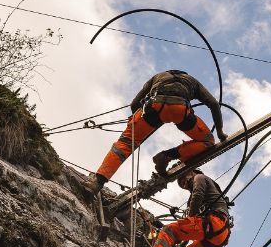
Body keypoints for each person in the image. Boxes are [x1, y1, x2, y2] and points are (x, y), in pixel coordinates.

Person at [84, 70, 227, 197]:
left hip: (153, 107)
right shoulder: (193, 82)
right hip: (180, 110)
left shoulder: (158, 77)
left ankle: (97, 183)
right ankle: (167, 156)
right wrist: (220, 132)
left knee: (124, 145)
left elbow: (134, 104)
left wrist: (141, 123)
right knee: (207, 141)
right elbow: (214, 104)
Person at [144, 169, 231, 247]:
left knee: (169, 230)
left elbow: (198, 195)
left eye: (184, 180)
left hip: (213, 222)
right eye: (181, 184)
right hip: (220, 236)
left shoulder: (200, 177)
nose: (184, 184)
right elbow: (188, 231)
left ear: (191, 172)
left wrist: (189, 218)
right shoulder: (208, 193)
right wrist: (182, 236)